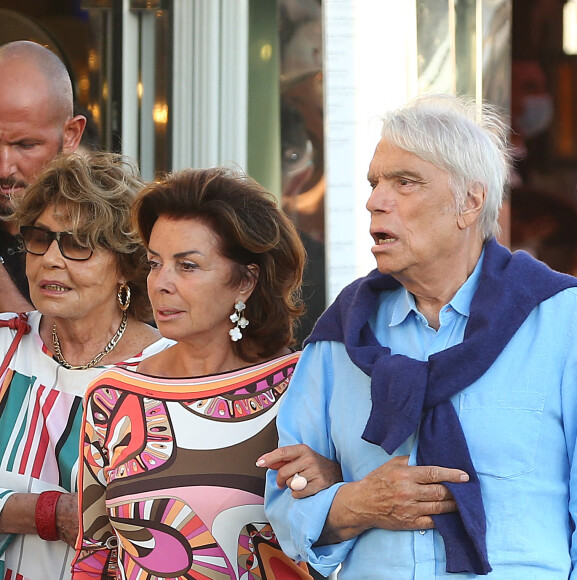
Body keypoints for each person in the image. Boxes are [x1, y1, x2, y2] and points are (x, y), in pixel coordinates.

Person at [261, 94, 577, 578]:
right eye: (374, 183)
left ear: (469, 203)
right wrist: (356, 502)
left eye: (404, 183)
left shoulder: (561, 321)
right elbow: (286, 507)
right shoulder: (342, 335)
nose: (375, 201)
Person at [72, 167, 340, 579]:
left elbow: (354, 521)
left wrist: (335, 478)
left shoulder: (304, 384)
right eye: (154, 263)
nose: (161, 283)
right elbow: (95, 554)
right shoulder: (112, 395)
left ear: (245, 281)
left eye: (188, 266)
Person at [0, 152, 172, 579]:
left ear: (126, 265)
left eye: (78, 244)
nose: (51, 259)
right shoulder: (4, 345)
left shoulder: (168, 375)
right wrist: (50, 512)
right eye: (39, 237)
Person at [0, 40, 86, 312]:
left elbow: (68, 349)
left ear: (70, 135)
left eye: (26, 146)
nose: (4, 168)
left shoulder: (100, 236)